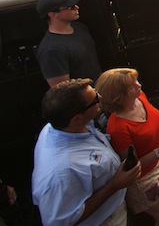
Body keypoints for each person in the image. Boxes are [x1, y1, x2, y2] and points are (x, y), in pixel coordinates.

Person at [32, 79, 141, 226]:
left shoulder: (64, 126)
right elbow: (60, 221)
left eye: (95, 91)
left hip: (116, 208)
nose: (100, 97)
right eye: (95, 99)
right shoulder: (60, 174)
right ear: (77, 118)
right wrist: (114, 185)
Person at [96, 69, 159, 226]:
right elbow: (135, 167)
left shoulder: (140, 97)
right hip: (143, 178)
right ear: (119, 95)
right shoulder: (118, 128)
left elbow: (152, 120)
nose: (138, 85)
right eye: (132, 86)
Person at [36, 0, 102, 88]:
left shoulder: (80, 28)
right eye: (70, 7)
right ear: (52, 14)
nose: (77, 7)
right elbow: (62, 91)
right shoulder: (52, 50)